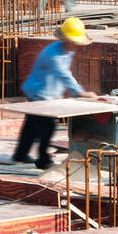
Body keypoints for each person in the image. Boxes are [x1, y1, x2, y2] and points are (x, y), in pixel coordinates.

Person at [12, 17, 96, 169]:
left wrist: (60, 93)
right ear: (67, 40)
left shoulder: (65, 51)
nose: (77, 46)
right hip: (39, 94)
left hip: (45, 93)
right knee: (47, 126)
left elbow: (63, 73)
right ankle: (43, 159)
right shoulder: (53, 54)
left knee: (31, 125)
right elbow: (63, 74)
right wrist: (80, 93)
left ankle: (20, 154)